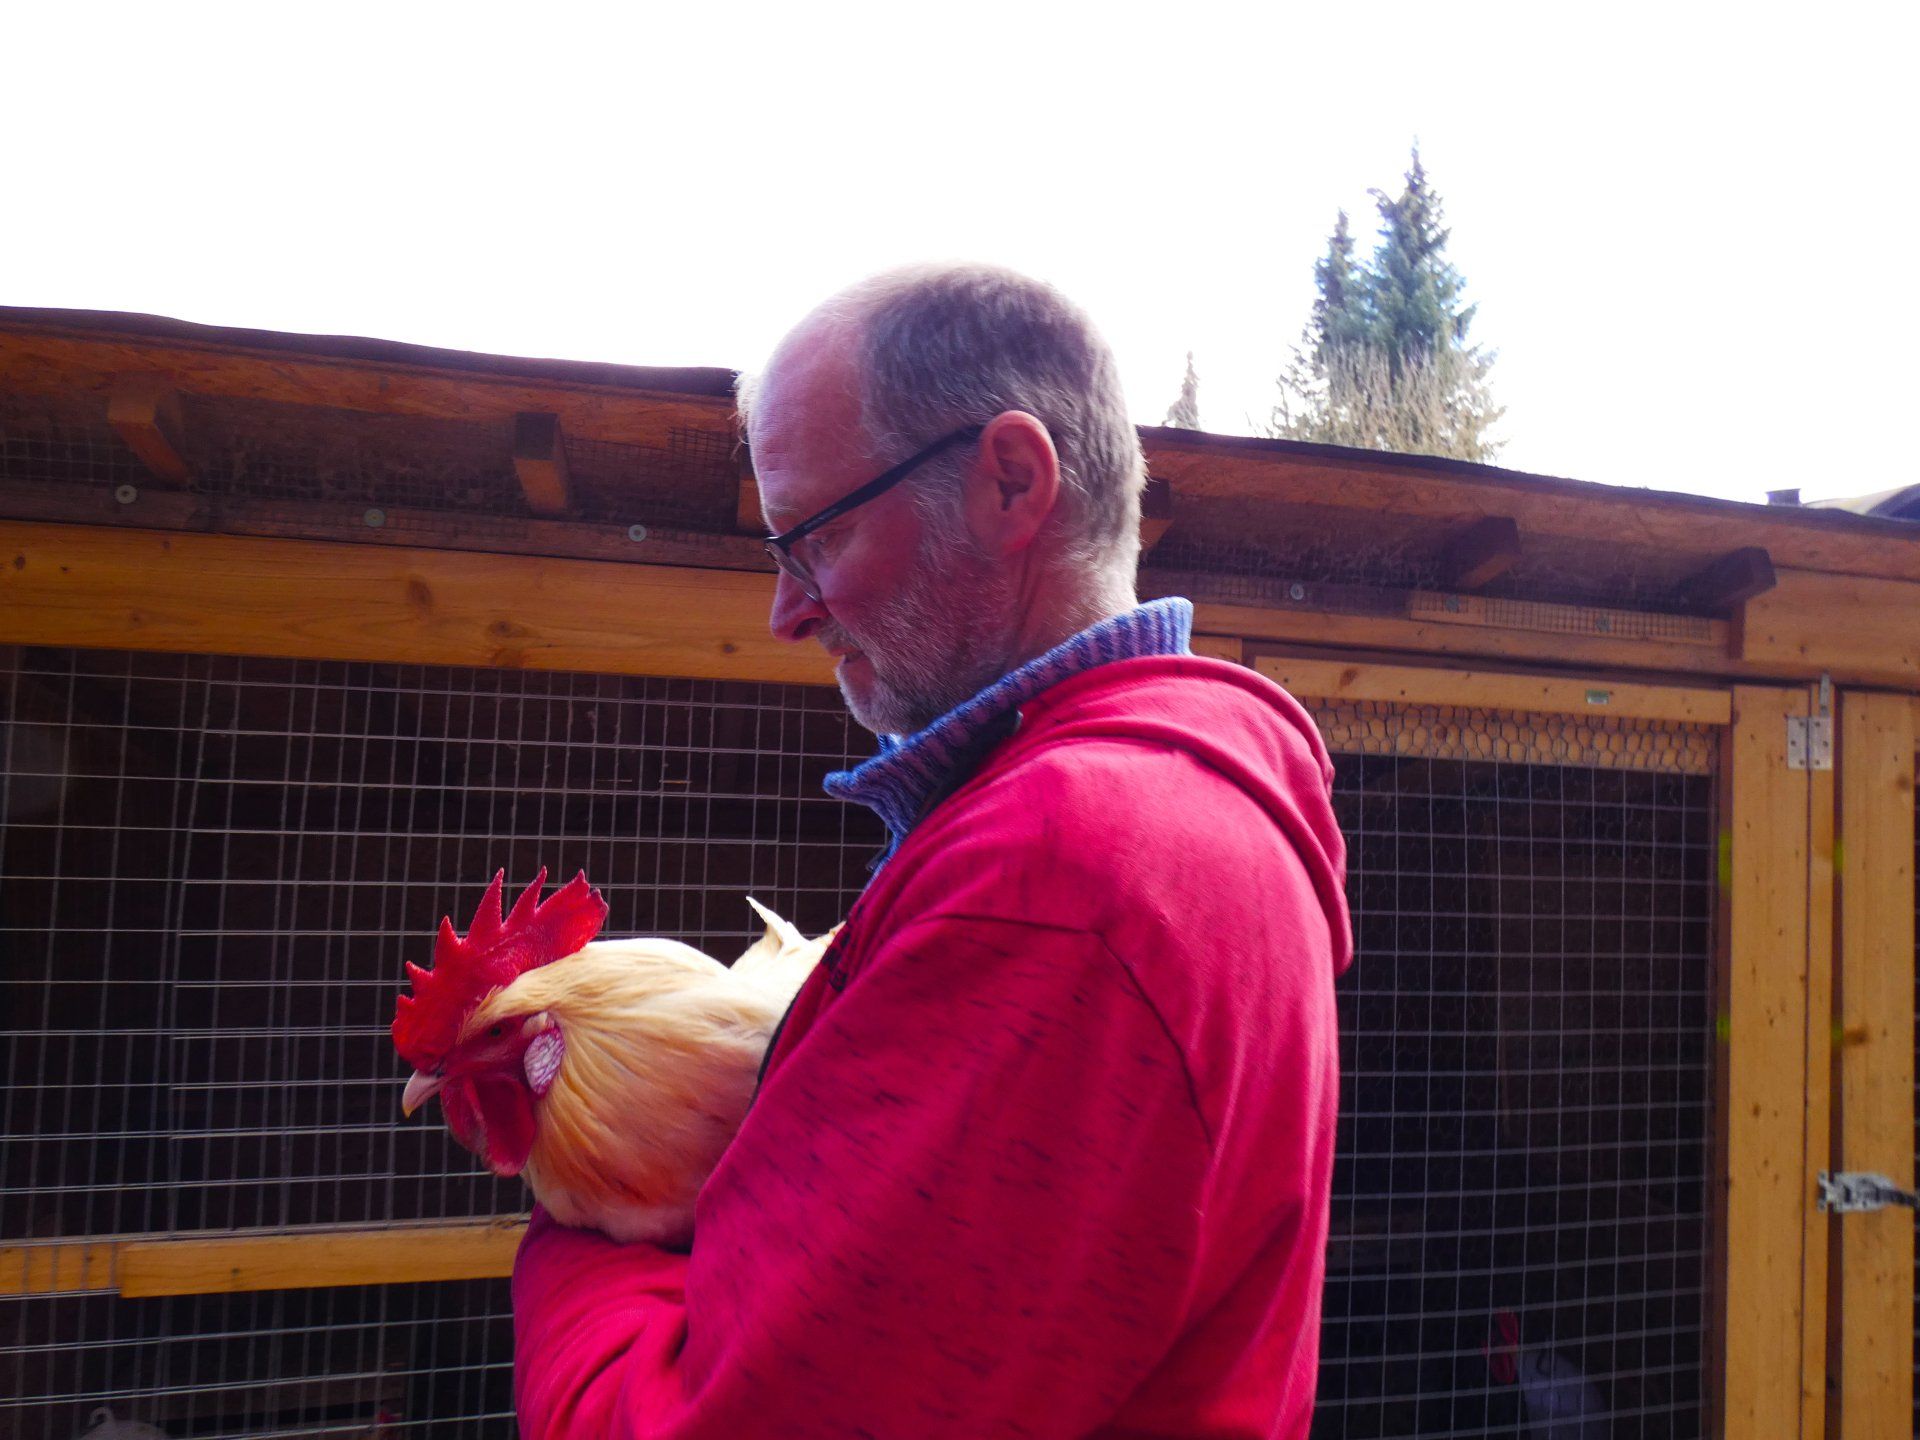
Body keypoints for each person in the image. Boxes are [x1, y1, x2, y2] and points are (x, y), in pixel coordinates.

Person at [511, 263, 1353, 1437]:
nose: (787, 613)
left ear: (1010, 482)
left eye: (818, 538)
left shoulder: (1062, 879)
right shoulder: (1162, 815)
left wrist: (579, 1231)